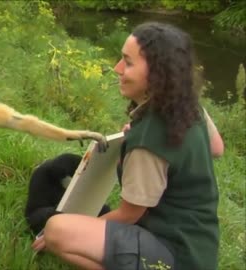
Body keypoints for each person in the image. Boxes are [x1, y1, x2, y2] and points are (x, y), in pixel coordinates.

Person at [30, 22, 224, 270]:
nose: (117, 68)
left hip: (173, 255)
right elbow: (217, 148)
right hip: (199, 245)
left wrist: (75, 227)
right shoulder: (188, 105)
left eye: (128, 63)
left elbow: (129, 215)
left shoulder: (147, 142)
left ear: (157, 74)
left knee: (57, 229)